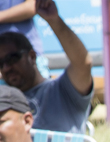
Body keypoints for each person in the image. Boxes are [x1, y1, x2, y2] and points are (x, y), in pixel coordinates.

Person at [0, 0, 92, 134]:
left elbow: (82, 63)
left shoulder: (62, 91)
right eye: (1, 63)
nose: (6, 67)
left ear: (32, 56)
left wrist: (54, 20)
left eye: (12, 59)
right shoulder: (5, 102)